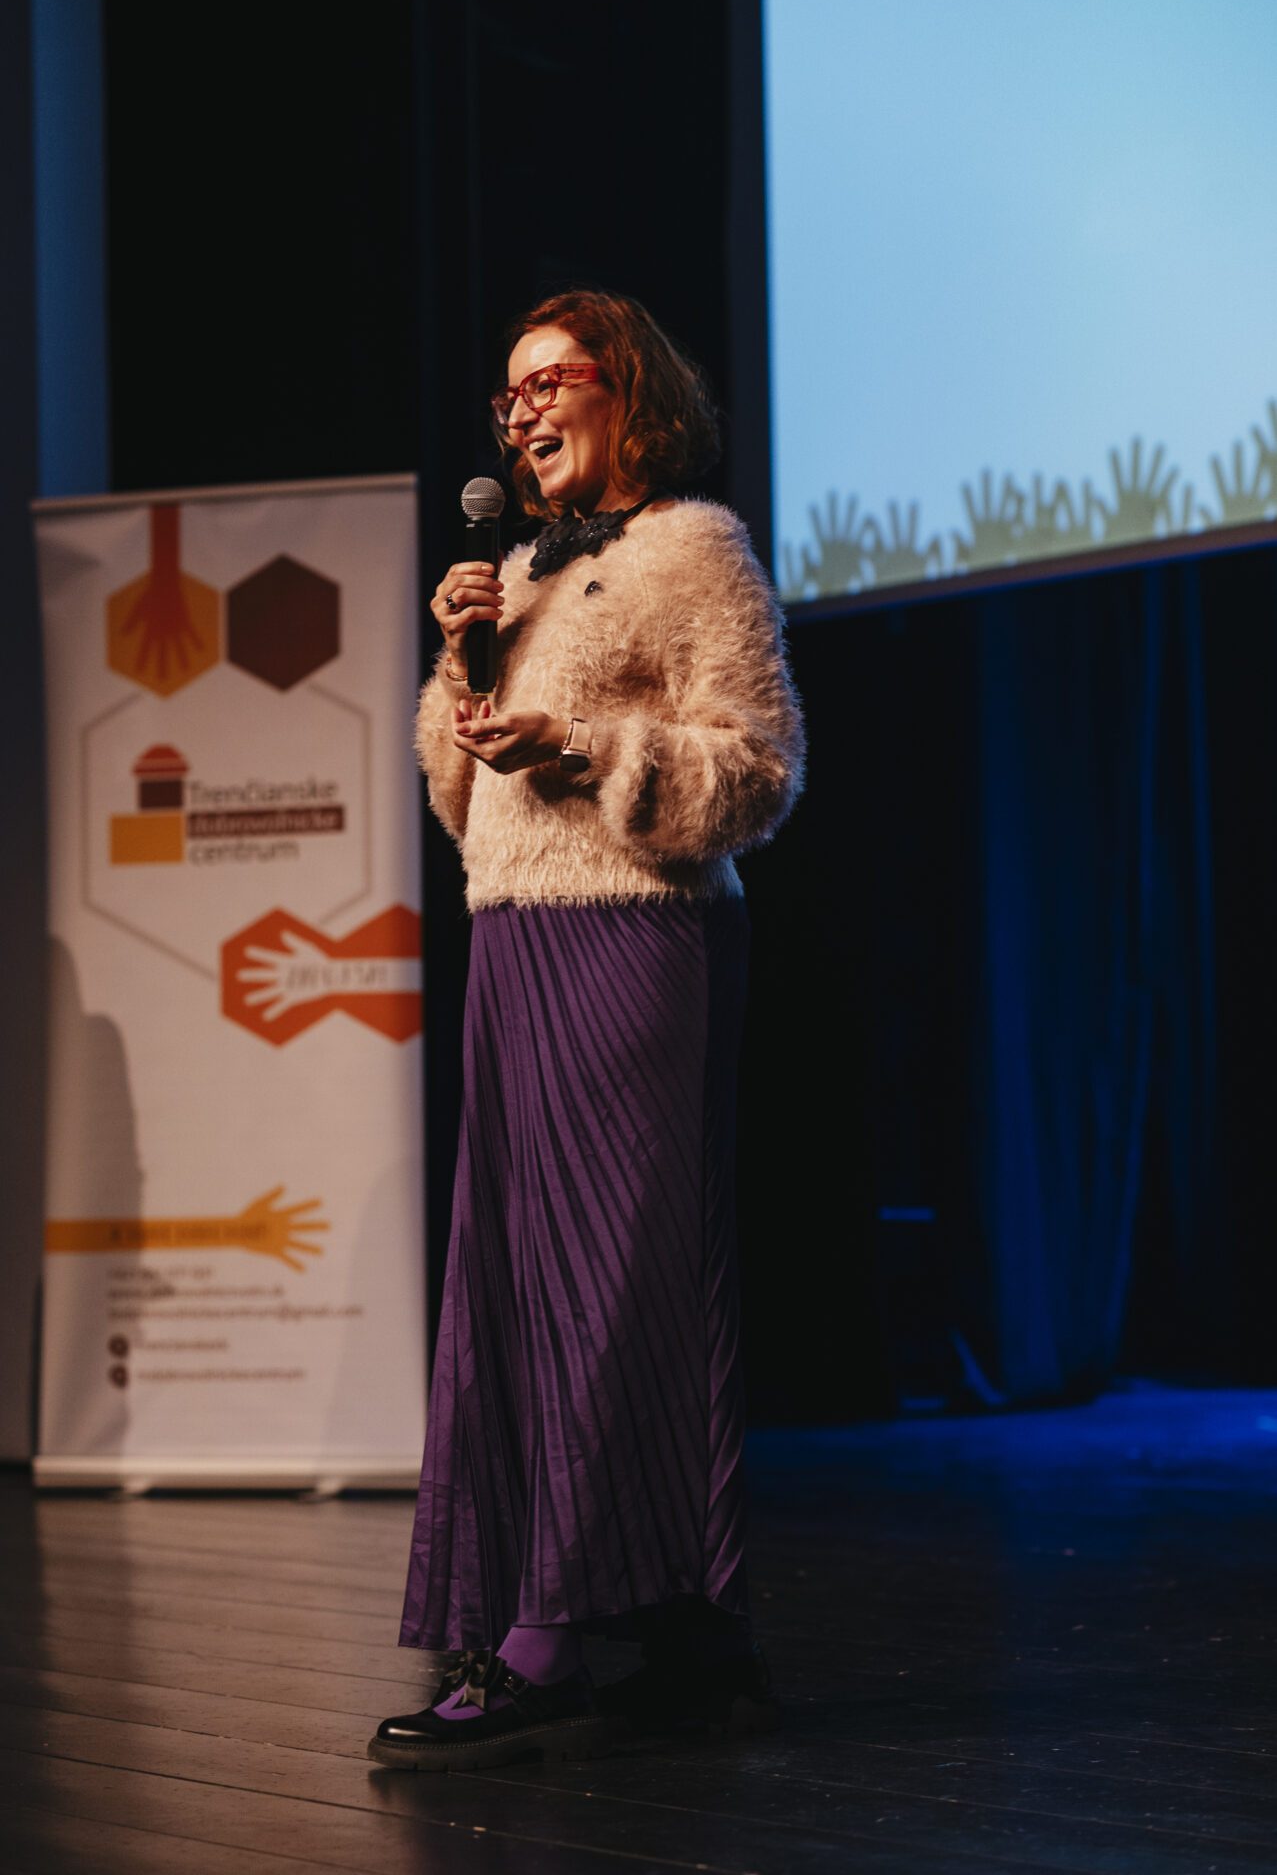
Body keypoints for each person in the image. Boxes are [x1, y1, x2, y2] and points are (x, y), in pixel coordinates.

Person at [369, 289, 805, 1773]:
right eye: (511, 396)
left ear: (628, 389)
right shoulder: (510, 574)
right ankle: (689, 1635)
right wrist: (465, 671)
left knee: (614, 1282)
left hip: (635, 936)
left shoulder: (694, 548)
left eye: (551, 382)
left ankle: (546, 1643)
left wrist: (578, 741)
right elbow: (463, 802)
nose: (525, 413)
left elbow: (759, 769)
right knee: (517, 1285)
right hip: (515, 941)